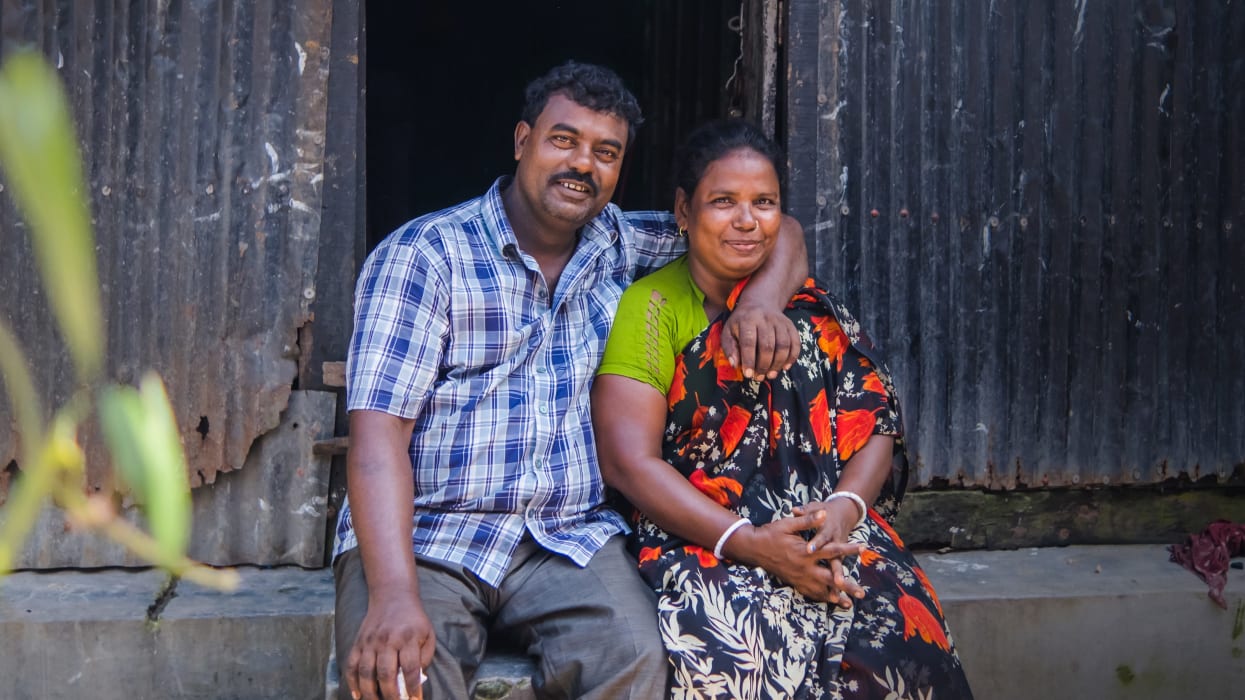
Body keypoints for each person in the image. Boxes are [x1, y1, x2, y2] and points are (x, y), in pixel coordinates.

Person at [332, 63, 811, 700]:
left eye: (605, 153)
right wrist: (391, 593)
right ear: (522, 141)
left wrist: (759, 305)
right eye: (564, 140)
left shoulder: (621, 243)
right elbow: (377, 439)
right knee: (400, 675)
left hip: (568, 537)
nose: (582, 164)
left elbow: (779, 233)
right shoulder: (424, 256)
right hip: (427, 535)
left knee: (639, 658)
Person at [592, 119, 975, 699]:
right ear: (683, 209)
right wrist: (752, 543)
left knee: (901, 645)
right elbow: (628, 463)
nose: (746, 221)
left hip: (830, 531)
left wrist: (846, 510)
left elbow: (871, 419)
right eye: (723, 202)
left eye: (763, 202)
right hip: (707, 538)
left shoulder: (808, 306)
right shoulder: (652, 308)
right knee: (740, 658)